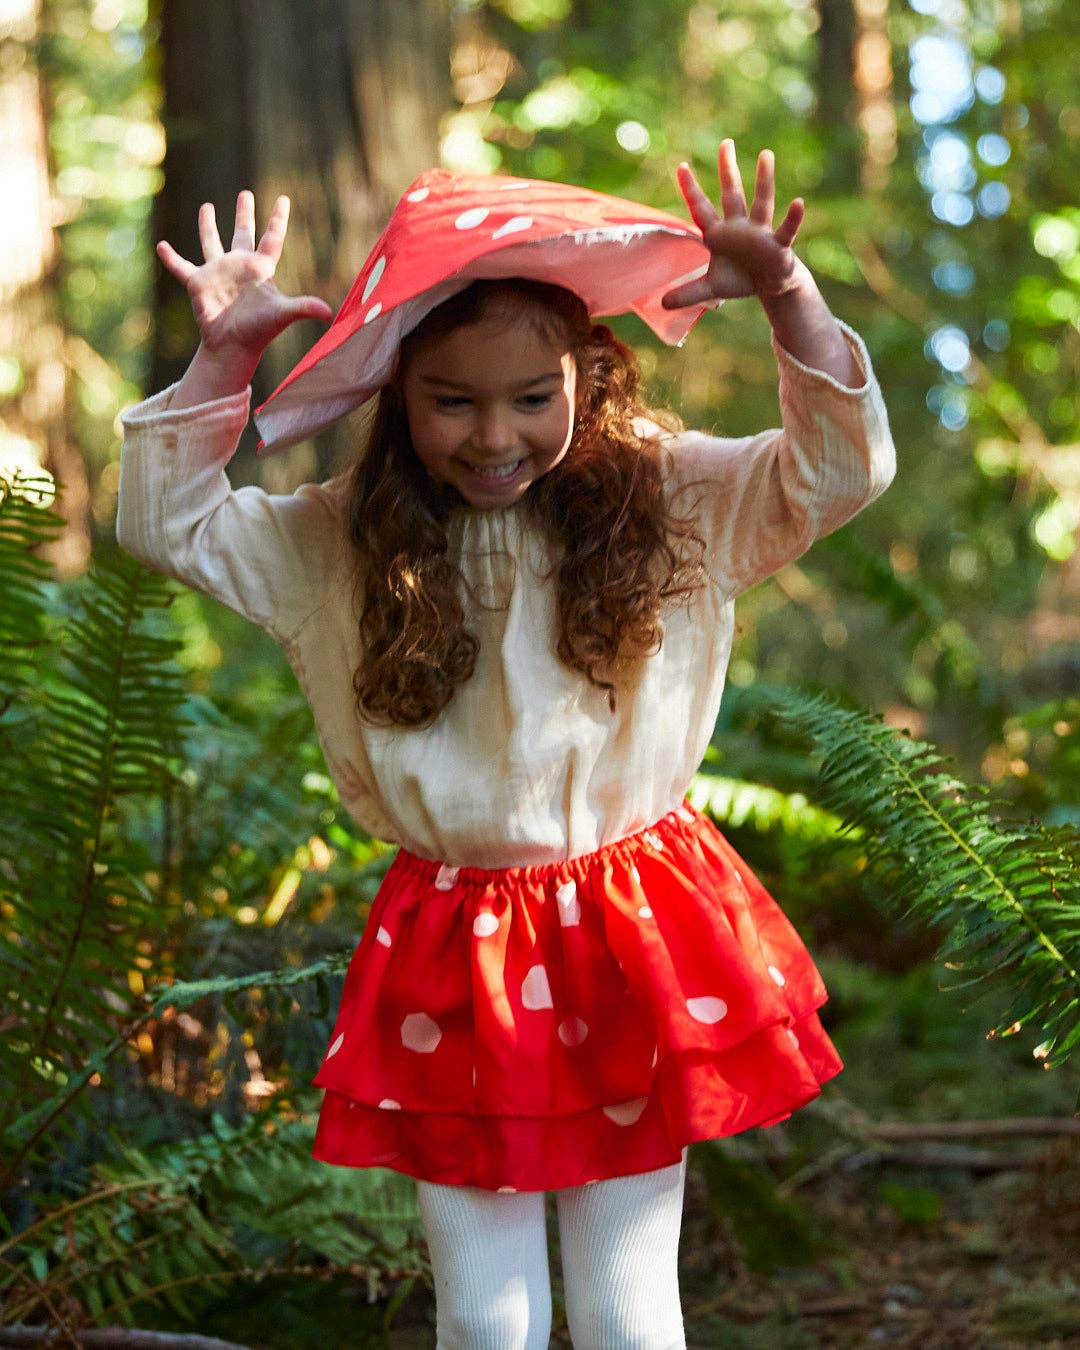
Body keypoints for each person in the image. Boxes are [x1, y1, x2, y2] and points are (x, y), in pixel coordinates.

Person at [118, 141, 895, 1349]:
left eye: (533, 397)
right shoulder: (337, 544)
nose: (495, 436)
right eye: (452, 400)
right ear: (395, 396)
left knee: (633, 1317)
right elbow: (168, 523)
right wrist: (223, 359)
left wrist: (792, 301)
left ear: (590, 377)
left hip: (635, 924)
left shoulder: (680, 499)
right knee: (485, 1322)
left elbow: (841, 467)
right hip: (453, 943)